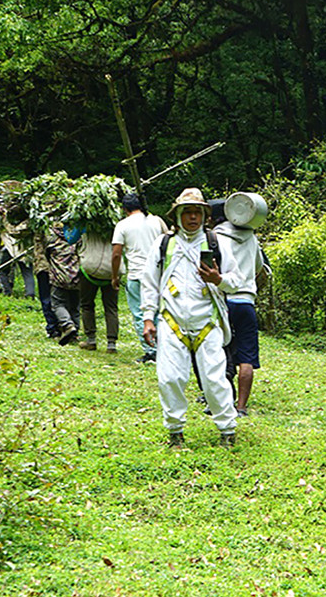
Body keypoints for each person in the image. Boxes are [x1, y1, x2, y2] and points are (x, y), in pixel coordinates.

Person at [141, 187, 243, 448]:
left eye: (197, 212)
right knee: (169, 378)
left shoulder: (217, 243)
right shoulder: (163, 244)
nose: (193, 217)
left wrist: (218, 279)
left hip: (207, 321)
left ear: (205, 215)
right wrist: (148, 318)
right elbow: (149, 282)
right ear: (178, 216)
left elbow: (237, 280)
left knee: (215, 380)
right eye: (187, 212)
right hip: (171, 320)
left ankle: (227, 430)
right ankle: (175, 432)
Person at [214, 205, 268, 417]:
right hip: (246, 301)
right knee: (247, 357)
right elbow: (259, 267)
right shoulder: (251, 237)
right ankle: (241, 407)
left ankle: (220, 400)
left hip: (223, 299)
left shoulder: (215, 236)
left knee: (220, 350)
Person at [112, 195, 165, 364]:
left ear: (125, 209)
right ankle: (163, 348)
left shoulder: (123, 225)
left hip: (136, 274)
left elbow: (116, 254)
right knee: (158, 311)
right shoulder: (157, 221)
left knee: (140, 313)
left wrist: (115, 276)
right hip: (158, 273)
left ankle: (151, 351)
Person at [76, 227, 120, 353]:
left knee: (87, 304)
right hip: (112, 268)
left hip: (90, 268)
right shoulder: (117, 225)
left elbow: (71, 238)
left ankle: (91, 340)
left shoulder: (86, 224)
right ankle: (111, 344)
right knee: (111, 307)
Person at [44, 223, 80, 345]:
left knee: (58, 304)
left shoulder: (53, 241)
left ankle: (67, 324)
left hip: (59, 278)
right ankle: (75, 332)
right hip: (76, 277)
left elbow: (46, 254)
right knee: (75, 306)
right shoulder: (78, 239)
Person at [0, 205, 35, 299]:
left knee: (2, 269)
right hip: (26, 248)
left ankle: (7, 291)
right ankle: (30, 294)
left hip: (12, 246)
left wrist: (4, 217)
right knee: (27, 271)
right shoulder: (31, 221)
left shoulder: (21, 226)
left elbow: (13, 231)